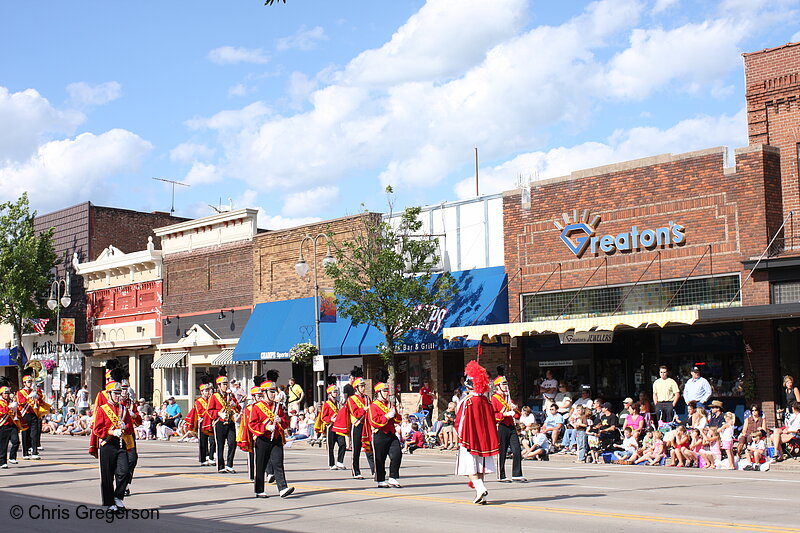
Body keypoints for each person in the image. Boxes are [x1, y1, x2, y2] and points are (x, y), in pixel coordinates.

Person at [455, 360, 499, 504]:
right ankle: (482, 495)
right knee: (480, 466)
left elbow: (459, 423)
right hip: (483, 439)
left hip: (470, 438)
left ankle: (480, 489)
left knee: (470, 467)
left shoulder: (467, 401)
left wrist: (459, 436)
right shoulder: (487, 401)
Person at [91, 380, 134, 510]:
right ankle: (109, 503)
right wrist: (111, 431)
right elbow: (97, 429)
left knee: (125, 471)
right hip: (107, 444)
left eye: (119, 393)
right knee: (107, 476)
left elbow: (130, 428)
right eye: (115, 393)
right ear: (109, 394)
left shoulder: (123, 409)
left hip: (120, 443)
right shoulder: (102, 410)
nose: (118, 395)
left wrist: (124, 427)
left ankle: (118, 497)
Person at [249, 378, 294, 499]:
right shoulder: (257, 407)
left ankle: (282, 488)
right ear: (264, 393)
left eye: (274, 391)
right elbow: (252, 424)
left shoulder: (277, 406)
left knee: (278, 462)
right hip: (263, 439)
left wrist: (281, 420)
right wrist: (266, 427)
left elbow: (285, 423)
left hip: (276, 438)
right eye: (271, 391)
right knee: (261, 464)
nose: (274, 394)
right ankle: (259, 490)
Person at [368, 372, 403, 488]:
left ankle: (393, 477)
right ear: (378, 393)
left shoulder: (389, 405)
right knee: (380, 458)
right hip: (380, 435)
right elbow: (374, 421)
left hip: (391, 433)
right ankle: (381, 479)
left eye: (387, 391)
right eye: (384, 391)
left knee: (397, 454)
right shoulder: (373, 406)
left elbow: (398, 419)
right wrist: (387, 416)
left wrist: (395, 414)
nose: (387, 394)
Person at [491, 368, 526, 482]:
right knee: (502, 451)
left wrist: (515, 409)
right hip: (501, 427)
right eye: (503, 384)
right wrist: (504, 414)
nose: (506, 386)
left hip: (511, 427)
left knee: (516, 450)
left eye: (506, 384)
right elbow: (493, 415)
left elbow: (517, 415)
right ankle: (501, 475)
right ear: (498, 386)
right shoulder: (495, 399)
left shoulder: (508, 398)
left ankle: (517, 474)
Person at [208, 367, 241, 474]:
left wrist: (234, 404)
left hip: (230, 421)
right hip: (219, 422)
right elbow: (209, 410)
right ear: (218, 386)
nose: (225, 386)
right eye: (223, 384)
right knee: (220, 444)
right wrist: (218, 413)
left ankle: (229, 464)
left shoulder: (230, 396)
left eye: (226, 383)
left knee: (232, 443)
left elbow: (238, 408)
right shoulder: (214, 397)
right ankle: (221, 466)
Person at [18, 367, 50, 460]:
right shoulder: (20, 392)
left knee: (35, 433)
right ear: (24, 383)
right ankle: (25, 452)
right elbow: (21, 402)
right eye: (28, 382)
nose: (30, 384)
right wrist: (29, 396)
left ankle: (35, 452)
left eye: (31, 382)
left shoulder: (34, 391)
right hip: (25, 415)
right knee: (25, 434)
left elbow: (40, 401)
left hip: (34, 414)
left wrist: (37, 395)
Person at [346, 376, 374, 479]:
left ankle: (374, 471)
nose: (363, 388)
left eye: (363, 386)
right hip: (357, 425)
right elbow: (355, 413)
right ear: (356, 387)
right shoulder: (351, 399)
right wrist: (365, 409)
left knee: (369, 448)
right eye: (361, 386)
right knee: (356, 450)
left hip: (367, 425)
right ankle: (356, 471)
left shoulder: (367, 398)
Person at [185, 374, 216, 466]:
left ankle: (211, 457)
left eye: (208, 390)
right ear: (202, 392)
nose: (207, 392)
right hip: (203, 422)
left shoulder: (211, 400)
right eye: (205, 391)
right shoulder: (198, 401)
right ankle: (203, 458)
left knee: (213, 441)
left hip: (212, 422)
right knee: (203, 441)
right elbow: (202, 412)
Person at [318, 381, 347, 470]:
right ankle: (331, 464)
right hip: (330, 426)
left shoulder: (338, 403)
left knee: (343, 444)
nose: (336, 393)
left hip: (338, 426)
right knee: (331, 446)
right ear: (330, 393)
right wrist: (331, 419)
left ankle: (340, 461)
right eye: (334, 392)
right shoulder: (326, 404)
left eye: (336, 392)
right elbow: (323, 417)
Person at [0, 378, 21, 468]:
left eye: (8, 393)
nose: (7, 395)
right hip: (3, 425)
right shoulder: (1, 402)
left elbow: (17, 413)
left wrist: (16, 407)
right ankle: (2, 462)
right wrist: (9, 407)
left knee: (16, 442)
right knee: (3, 446)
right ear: (1, 394)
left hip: (12, 425)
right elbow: (1, 411)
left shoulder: (11, 402)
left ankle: (12, 457)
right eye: (5, 393)